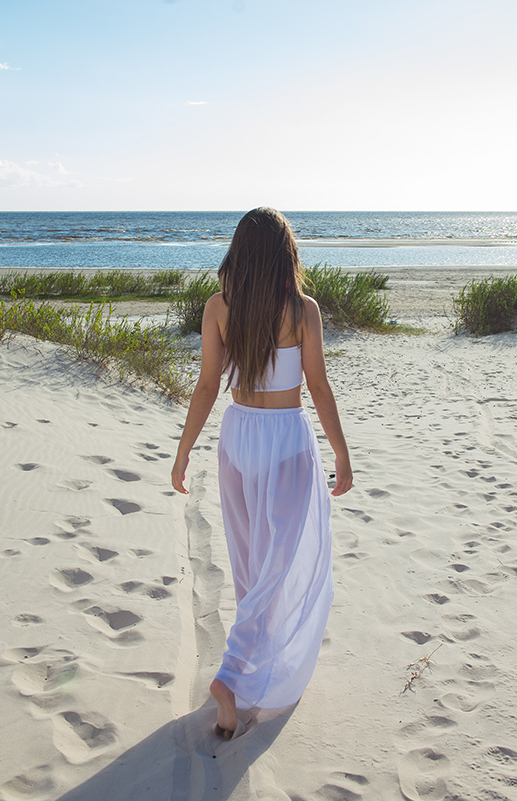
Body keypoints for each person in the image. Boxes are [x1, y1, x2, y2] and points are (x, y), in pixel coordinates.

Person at [171, 207, 353, 741]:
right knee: (280, 562)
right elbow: (318, 386)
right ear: (284, 253)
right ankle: (232, 675)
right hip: (285, 438)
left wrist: (183, 452)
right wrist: (341, 452)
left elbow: (208, 386)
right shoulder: (301, 310)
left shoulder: (218, 307)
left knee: (252, 561)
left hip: (238, 437)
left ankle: (249, 670)